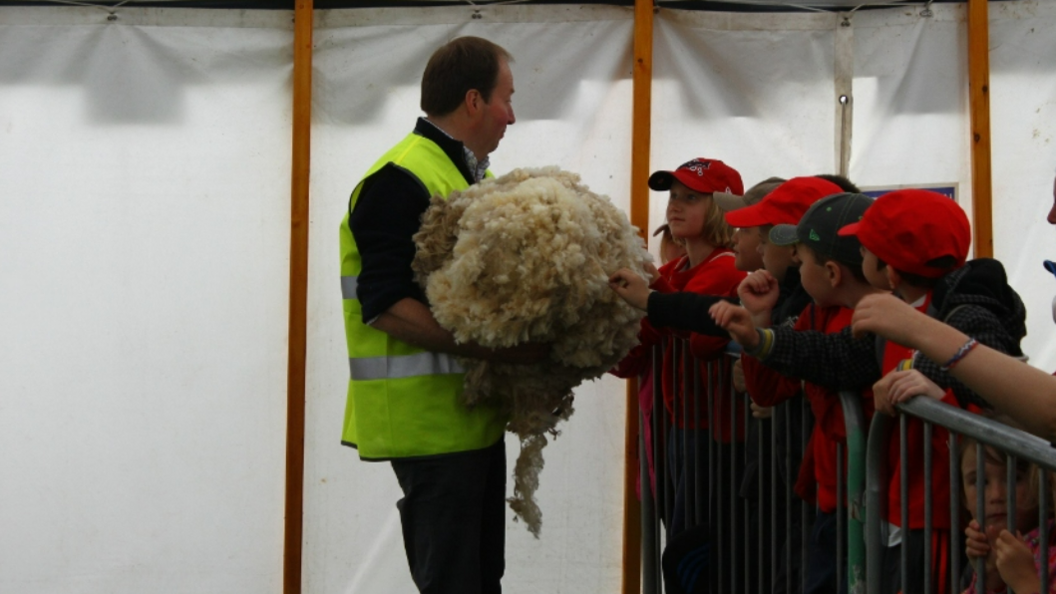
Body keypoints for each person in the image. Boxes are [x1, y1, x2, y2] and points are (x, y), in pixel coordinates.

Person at [709, 188, 1027, 594]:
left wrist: (935, 379)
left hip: (939, 517)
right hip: (897, 508)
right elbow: (837, 354)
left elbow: (990, 363)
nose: (860, 257)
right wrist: (760, 339)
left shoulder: (963, 309)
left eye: (867, 249)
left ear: (890, 268)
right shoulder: (893, 310)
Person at [339, 36, 546, 594]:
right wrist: (494, 348)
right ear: (474, 101)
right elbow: (383, 306)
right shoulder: (401, 178)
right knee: (455, 583)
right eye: (507, 98)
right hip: (428, 431)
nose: (512, 115)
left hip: (466, 424)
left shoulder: (462, 177)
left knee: (480, 580)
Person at [958, 432, 1039, 594]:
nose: (996, 495)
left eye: (1014, 479)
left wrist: (1026, 582)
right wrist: (991, 579)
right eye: (980, 482)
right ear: (963, 497)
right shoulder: (980, 557)